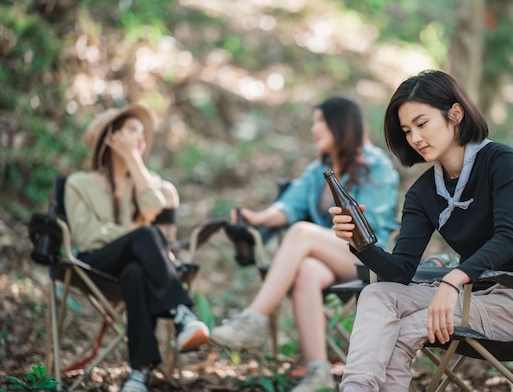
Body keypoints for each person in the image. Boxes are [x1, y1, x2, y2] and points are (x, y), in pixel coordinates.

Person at [330, 70, 513, 391]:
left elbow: (510, 237)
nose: (415, 138)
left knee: (405, 329)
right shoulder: (423, 192)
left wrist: (452, 281)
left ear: (455, 114)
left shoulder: (500, 161)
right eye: (407, 130)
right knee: (376, 293)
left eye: (422, 124)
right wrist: (360, 243)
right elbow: (399, 273)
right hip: (471, 299)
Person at [212, 97, 399, 392]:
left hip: (368, 257)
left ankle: (254, 320)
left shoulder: (376, 166)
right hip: (330, 258)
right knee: (307, 271)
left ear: (342, 125)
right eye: (314, 122)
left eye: (321, 122)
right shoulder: (317, 171)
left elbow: (371, 226)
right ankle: (318, 372)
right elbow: (287, 207)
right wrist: (256, 216)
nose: (315, 129)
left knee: (301, 233)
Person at [64, 104, 211, 392]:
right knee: (143, 236)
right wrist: (132, 236)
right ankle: (181, 312)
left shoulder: (155, 184)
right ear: (110, 138)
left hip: (140, 270)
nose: (141, 140)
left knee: (134, 271)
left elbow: (156, 210)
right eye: (132, 131)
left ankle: (138, 372)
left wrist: (133, 160)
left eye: (143, 134)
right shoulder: (78, 184)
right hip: (95, 264)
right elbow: (88, 235)